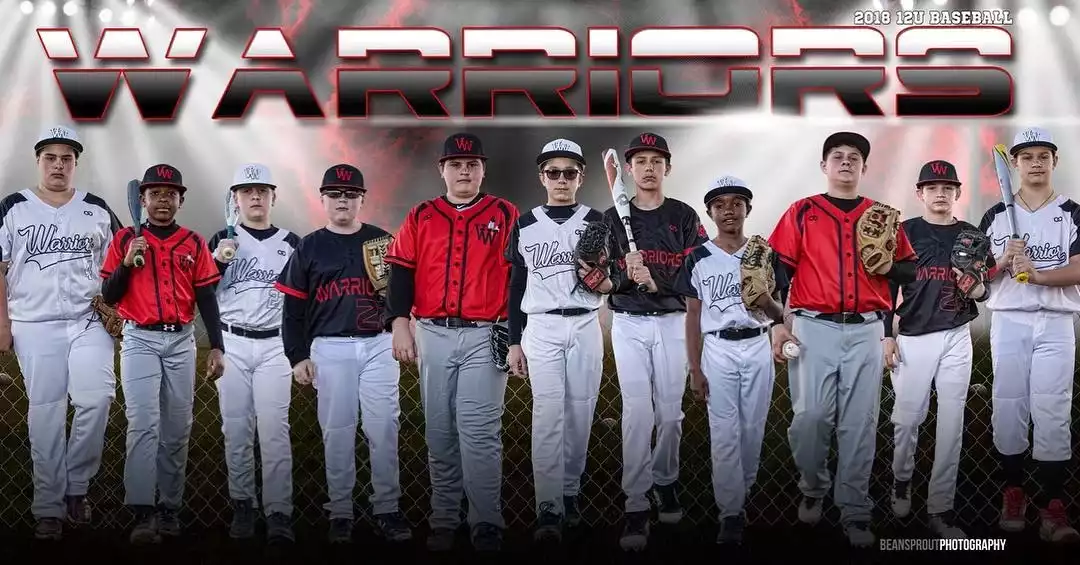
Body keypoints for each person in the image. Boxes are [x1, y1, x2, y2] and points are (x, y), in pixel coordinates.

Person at [767, 132, 917, 547]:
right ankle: (813, 487)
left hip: (867, 326)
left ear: (864, 168)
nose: (846, 162)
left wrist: (888, 264)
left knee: (860, 424)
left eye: (855, 157)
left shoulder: (882, 215)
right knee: (810, 418)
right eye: (838, 156)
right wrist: (778, 323)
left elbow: (910, 271)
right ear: (824, 165)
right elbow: (779, 270)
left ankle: (854, 509)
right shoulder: (802, 211)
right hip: (813, 326)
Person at [384, 132, 519, 553]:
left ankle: (485, 520)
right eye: (456, 164)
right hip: (434, 332)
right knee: (440, 429)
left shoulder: (505, 212)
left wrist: (516, 334)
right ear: (441, 169)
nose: (465, 170)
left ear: (483, 170)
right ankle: (444, 516)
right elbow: (401, 272)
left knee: (479, 431)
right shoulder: (422, 214)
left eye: (473, 163)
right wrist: (399, 322)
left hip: (484, 332)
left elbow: (519, 278)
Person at [274, 164, 412, 544]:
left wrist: (395, 306)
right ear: (323, 200)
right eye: (334, 194)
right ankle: (341, 512)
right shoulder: (309, 245)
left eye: (350, 194)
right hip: (330, 347)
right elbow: (293, 310)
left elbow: (401, 295)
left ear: (362, 199)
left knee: (384, 427)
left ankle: (387, 507)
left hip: (377, 344)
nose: (342, 200)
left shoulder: (384, 241)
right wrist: (297, 355)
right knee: (337, 432)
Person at [0, 126, 122, 540]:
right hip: (34, 324)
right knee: (47, 411)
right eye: (50, 157)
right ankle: (50, 505)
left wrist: (116, 306)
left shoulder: (98, 208)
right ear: (38, 161)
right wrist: (2, 324)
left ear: (75, 163)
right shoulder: (13, 206)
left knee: (97, 397)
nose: (58, 164)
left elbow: (120, 266)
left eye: (66, 158)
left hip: (87, 319)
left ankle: (77, 486)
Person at [99, 163, 225, 545]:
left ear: (180, 200)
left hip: (181, 341)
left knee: (176, 429)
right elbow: (109, 295)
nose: (163, 200)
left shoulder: (194, 242)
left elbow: (206, 297)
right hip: (139, 339)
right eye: (155, 193)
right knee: (143, 425)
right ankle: (143, 511)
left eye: (170, 194)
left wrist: (217, 345)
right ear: (143, 200)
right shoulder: (124, 239)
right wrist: (126, 261)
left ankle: (170, 506)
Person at [602, 132, 709, 552]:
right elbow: (598, 274)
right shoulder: (612, 218)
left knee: (669, 413)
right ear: (628, 170)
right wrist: (627, 273)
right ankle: (635, 502)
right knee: (637, 412)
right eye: (640, 161)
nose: (648, 167)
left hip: (672, 321)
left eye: (656, 160)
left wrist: (657, 278)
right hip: (628, 321)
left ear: (668, 167)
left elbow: (699, 274)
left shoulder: (683, 216)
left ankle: (665, 482)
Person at [978, 127, 1080, 543]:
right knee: (1008, 406)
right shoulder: (995, 216)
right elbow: (975, 279)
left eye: (1043, 155)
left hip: (1056, 322)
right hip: (1010, 321)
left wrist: (1038, 275)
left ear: (1054, 162)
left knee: (1053, 410)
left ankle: (1053, 506)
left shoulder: (1072, 211)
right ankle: (1013, 491)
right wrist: (1002, 262)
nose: (1035, 162)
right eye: (1027, 156)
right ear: (1013, 164)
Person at [673, 176, 787, 545]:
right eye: (720, 204)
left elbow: (780, 313)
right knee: (724, 433)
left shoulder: (763, 253)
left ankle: (743, 493)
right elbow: (692, 316)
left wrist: (766, 301)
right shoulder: (698, 257)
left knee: (752, 430)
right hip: (718, 348)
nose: (729, 210)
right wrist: (695, 368)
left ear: (747, 210)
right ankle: (731, 513)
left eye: (737, 203)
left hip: (756, 344)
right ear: (710, 213)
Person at [504, 139, 606, 544]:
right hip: (541, 326)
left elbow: (608, 279)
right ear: (541, 176)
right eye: (553, 172)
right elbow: (516, 286)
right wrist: (514, 341)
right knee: (548, 414)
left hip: (584, 322)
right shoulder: (525, 224)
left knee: (580, 413)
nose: (561, 179)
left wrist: (605, 277)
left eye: (569, 172)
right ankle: (547, 504)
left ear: (581, 177)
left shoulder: (598, 221)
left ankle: (570, 491)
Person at [885, 160, 992, 539]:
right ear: (920, 193)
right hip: (913, 334)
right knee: (907, 420)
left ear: (957, 192)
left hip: (956, 333)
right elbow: (887, 291)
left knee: (951, 423)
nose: (940, 192)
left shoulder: (971, 234)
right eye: (932, 187)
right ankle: (901, 479)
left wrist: (974, 286)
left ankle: (941, 508)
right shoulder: (904, 233)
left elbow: (985, 290)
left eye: (947, 187)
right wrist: (887, 335)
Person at [209, 163, 299, 544]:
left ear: (274, 196)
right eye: (247, 191)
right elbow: (202, 291)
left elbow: (300, 301)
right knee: (237, 429)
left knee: (275, 430)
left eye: (262, 190)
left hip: (275, 344)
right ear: (236, 199)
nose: (256, 196)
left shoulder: (293, 242)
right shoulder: (221, 239)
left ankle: (279, 511)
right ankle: (243, 503)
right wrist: (218, 261)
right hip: (233, 342)